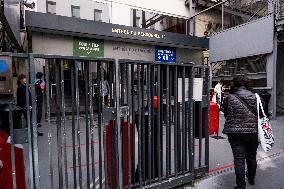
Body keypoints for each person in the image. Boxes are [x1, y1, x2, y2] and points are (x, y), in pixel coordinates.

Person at [223, 75, 259, 189]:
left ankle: (240, 186)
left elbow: (226, 114)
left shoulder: (229, 98)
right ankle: (251, 178)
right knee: (251, 156)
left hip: (235, 133)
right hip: (253, 132)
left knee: (239, 159)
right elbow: (262, 114)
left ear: (235, 84)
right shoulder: (256, 97)